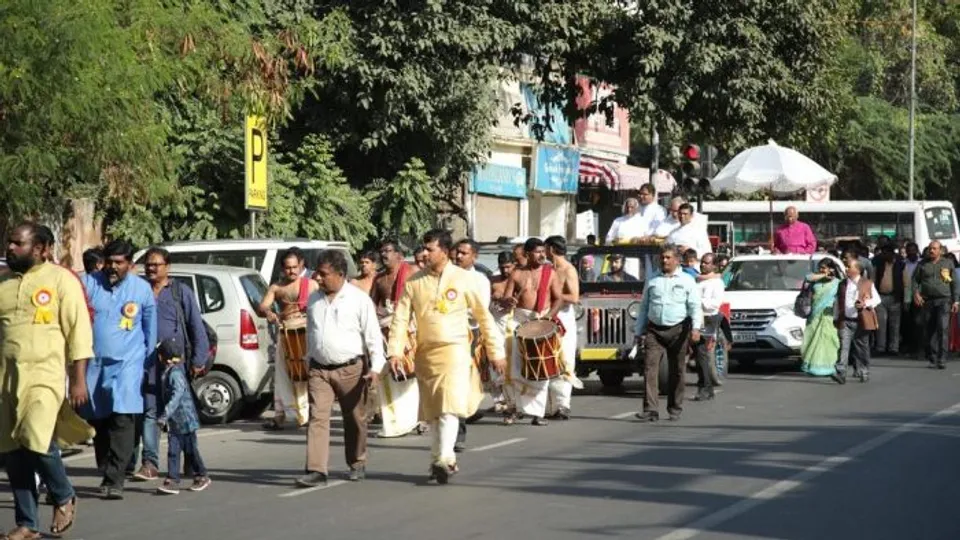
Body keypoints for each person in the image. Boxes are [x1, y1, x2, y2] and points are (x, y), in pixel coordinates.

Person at [387, 229, 505, 484]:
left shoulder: (464, 279)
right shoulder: (414, 282)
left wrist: (496, 352)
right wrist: (395, 351)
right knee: (433, 411)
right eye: (424, 248)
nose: (424, 253)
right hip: (426, 354)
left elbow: (484, 318)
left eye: (430, 249)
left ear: (444, 251)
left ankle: (445, 457)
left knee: (450, 405)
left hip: (455, 350)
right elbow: (400, 319)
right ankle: (437, 460)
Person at [1, 223, 92, 539]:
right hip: (6, 380)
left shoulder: (61, 280)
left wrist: (79, 379)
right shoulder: (4, 284)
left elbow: (79, 331)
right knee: (13, 453)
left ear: (40, 248)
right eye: (8, 243)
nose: (10, 248)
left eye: (17, 243)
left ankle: (63, 494)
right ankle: (27, 524)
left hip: (46, 375)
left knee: (37, 439)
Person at [297, 250, 384, 487]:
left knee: (355, 418)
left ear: (341, 274)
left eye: (324, 274)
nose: (318, 278)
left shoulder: (359, 300)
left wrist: (375, 368)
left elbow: (373, 337)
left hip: (351, 370)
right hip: (319, 370)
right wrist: (308, 358)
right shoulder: (314, 299)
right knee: (317, 417)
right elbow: (311, 332)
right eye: (318, 273)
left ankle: (357, 461)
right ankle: (316, 470)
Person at [82, 239, 157, 500]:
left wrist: (147, 363)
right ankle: (108, 466)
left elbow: (150, 328)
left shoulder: (142, 289)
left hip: (129, 362)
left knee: (122, 417)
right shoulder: (89, 283)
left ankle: (115, 479)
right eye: (109, 262)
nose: (113, 267)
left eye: (119, 263)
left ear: (130, 264)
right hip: (94, 363)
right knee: (99, 418)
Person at [130, 247, 209, 482]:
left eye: (156, 264)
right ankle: (149, 463)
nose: (151, 268)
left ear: (168, 267)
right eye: (148, 264)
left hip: (175, 364)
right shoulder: (139, 291)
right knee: (150, 411)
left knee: (179, 414)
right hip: (146, 364)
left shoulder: (179, 292)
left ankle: (190, 461)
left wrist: (198, 360)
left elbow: (196, 326)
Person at [633, 246, 702, 422]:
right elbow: (644, 307)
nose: (664, 261)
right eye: (662, 258)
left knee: (677, 370)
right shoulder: (652, 280)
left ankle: (675, 407)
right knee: (650, 369)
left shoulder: (687, 280)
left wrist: (696, 328)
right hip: (654, 330)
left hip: (679, 329)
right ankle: (650, 410)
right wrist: (638, 331)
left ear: (677, 260)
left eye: (668, 258)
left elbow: (694, 306)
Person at [501, 238, 564, 426]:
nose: (542, 255)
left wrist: (546, 320)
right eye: (537, 252)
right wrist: (508, 302)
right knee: (515, 368)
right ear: (527, 254)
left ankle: (538, 414)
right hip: (520, 321)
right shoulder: (516, 274)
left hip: (542, 320)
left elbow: (558, 299)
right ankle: (515, 409)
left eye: (543, 251)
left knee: (541, 368)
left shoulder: (549, 272)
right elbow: (506, 298)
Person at [258, 248, 318, 429]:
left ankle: (313, 414)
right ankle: (280, 417)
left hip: (309, 335)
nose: (291, 271)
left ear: (301, 265)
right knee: (284, 377)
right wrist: (268, 312)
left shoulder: (312, 285)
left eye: (295, 267)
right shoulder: (277, 288)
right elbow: (262, 307)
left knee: (312, 376)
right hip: (286, 336)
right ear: (283, 268)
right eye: (288, 268)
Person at [370, 239, 423, 438]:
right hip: (385, 332)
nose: (384, 255)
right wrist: (380, 312)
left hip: (406, 331)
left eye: (388, 251)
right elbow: (371, 303)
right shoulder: (379, 279)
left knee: (408, 376)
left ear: (399, 254)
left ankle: (414, 418)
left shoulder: (411, 273)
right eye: (382, 252)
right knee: (389, 377)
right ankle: (393, 422)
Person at [155, 339, 211, 495]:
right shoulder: (167, 373)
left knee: (191, 450)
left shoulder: (175, 374)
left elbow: (176, 396)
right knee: (173, 450)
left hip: (185, 420)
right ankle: (172, 480)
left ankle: (202, 475)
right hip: (176, 422)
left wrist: (164, 416)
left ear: (162, 357)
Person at [544, 236, 581, 420]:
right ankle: (548, 406)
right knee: (547, 358)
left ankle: (562, 405)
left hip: (563, 318)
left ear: (550, 249)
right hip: (547, 315)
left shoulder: (568, 269)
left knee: (564, 359)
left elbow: (574, 297)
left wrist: (556, 295)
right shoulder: (547, 269)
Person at [912, 241, 959, 369]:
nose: (931, 251)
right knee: (929, 329)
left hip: (944, 300)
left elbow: (954, 283)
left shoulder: (947, 263)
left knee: (942, 328)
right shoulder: (922, 264)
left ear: (940, 250)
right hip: (927, 301)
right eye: (930, 249)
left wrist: (956, 301)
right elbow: (915, 280)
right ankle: (933, 356)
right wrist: (916, 293)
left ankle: (942, 358)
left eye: (934, 249)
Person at [833, 259, 880, 383]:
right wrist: (836, 317)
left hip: (861, 321)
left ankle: (864, 370)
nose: (846, 269)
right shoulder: (842, 284)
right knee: (843, 346)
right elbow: (838, 302)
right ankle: (841, 372)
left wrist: (865, 304)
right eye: (846, 266)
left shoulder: (867, 283)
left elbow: (876, 300)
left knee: (861, 347)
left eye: (849, 267)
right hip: (845, 321)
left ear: (857, 270)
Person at [800, 259, 842, 377]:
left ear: (831, 268)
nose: (821, 270)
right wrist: (824, 274)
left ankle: (827, 366)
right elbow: (807, 278)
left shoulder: (838, 283)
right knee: (812, 339)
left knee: (828, 340)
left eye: (824, 268)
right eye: (820, 268)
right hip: (814, 315)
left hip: (828, 316)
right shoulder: (815, 281)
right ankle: (812, 365)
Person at [693, 253, 724, 401]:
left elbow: (714, 305)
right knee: (698, 355)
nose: (703, 265)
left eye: (706, 263)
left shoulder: (716, 283)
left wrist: (697, 301)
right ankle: (706, 387)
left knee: (701, 354)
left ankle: (705, 387)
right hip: (694, 318)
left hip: (707, 320)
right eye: (702, 263)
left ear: (714, 265)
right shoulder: (697, 280)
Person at [489, 251, 516, 413]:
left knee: (514, 363)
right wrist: (496, 297)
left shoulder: (519, 280)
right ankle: (498, 400)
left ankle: (513, 400)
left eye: (508, 267)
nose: (505, 271)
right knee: (496, 360)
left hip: (514, 325)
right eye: (502, 267)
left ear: (514, 265)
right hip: (496, 326)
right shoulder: (492, 282)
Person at [871, 243, 905, 355]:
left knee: (895, 324)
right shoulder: (878, 264)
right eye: (882, 253)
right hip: (880, 297)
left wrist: (906, 299)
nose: (884, 255)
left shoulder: (900, 264)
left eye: (886, 253)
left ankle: (893, 348)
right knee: (881, 323)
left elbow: (906, 282)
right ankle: (881, 347)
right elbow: (872, 280)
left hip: (895, 297)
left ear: (892, 253)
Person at [901, 241, 923, 356]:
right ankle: (910, 346)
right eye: (909, 251)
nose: (911, 253)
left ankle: (920, 347)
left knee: (919, 322)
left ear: (917, 251)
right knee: (908, 323)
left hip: (920, 295)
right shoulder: (903, 264)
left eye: (913, 250)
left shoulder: (922, 264)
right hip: (906, 297)